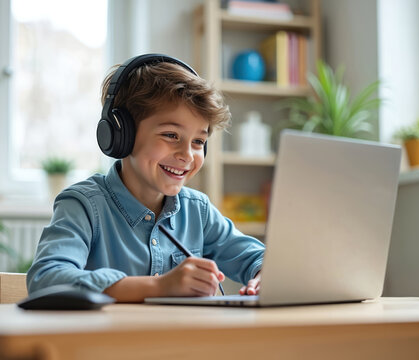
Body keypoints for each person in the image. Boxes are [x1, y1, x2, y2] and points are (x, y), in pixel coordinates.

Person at [27, 54, 264, 302]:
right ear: (121, 135)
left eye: (198, 142)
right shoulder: (84, 206)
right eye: (171, 135)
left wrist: (263, 274)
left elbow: (257, 257)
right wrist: (160, 286)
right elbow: (46, 279)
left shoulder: (198, 211)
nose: (187, 155)